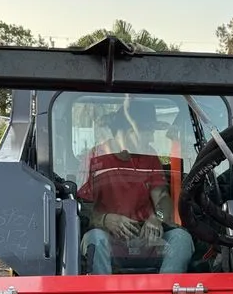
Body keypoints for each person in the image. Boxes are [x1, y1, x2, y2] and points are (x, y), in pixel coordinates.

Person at [78, 96, 194, 275]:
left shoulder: (150, 157)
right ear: (129, 127)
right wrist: (105, 220)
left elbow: (162, 199)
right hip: (108, 239)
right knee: (95, 239)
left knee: (182, 239)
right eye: (148, 130)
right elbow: (81, 209)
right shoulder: (94, 158)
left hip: (146, 240)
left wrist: (158, 218)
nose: (152, 137)